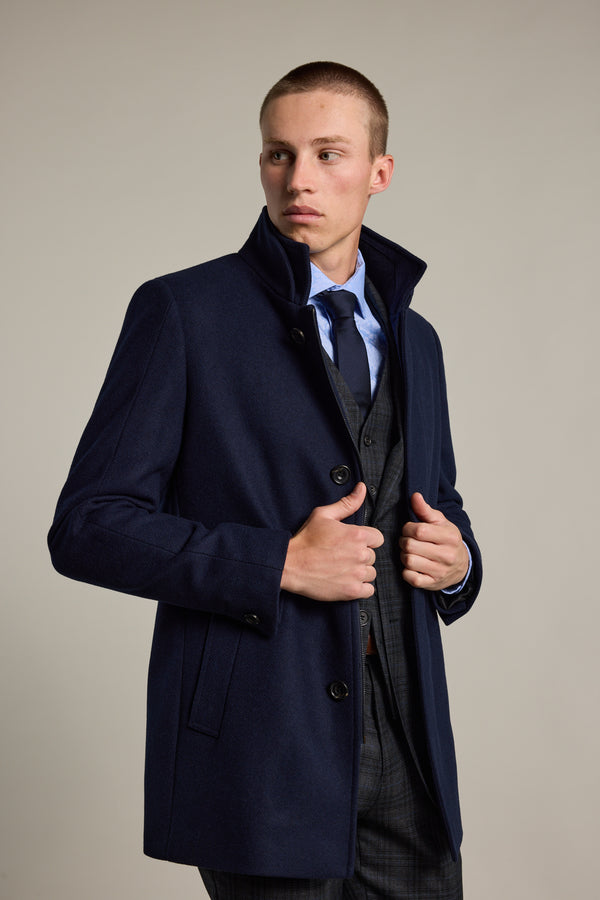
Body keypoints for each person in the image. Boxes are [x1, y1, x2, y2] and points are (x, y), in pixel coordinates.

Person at [49, 62, 482, 899]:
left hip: (410, 747)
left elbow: (439, 501)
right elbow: (88, 525)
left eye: (328, 154)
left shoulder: (416, 338)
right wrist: (277, 562)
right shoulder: (184, 312)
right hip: (262, 751)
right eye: (279, 155)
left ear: (380, 172)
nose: (299, 180)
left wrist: (458, 563)